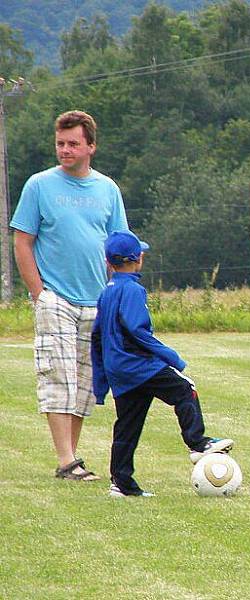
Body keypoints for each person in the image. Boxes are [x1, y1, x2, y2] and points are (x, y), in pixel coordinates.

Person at [11, 110, 128, 482]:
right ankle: (65, 460)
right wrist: (38, 293)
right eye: (60, 144)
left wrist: (116, 293)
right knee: (57, 376)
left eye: (73, 144)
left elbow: (118, 246)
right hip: (55, 298)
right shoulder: (39, 186)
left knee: (83, 383)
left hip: (96, 299)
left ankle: (71, 459)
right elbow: (22, 241)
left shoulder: (107, 189)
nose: (65, 150)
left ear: (91, 146)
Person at [91, 230, 234, 497]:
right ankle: (198, 443)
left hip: (119, 372)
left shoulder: (106, 292)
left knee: (127, 426)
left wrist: (101, 382)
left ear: (109, 263)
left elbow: (97, 336)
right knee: (185, 389)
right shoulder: (133, 289)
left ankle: (121, 483)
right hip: (139, 366)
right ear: (138, 259)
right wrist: (171, 357)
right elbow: (138, 331)